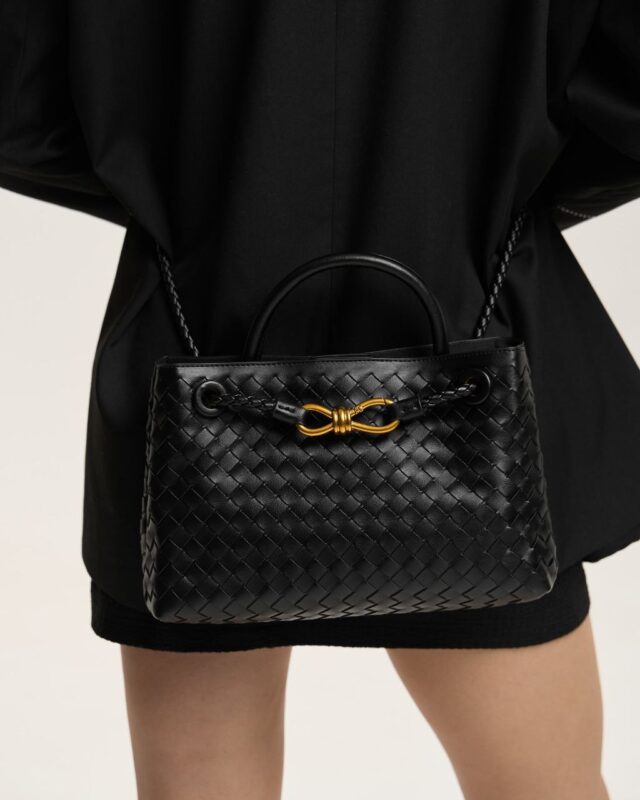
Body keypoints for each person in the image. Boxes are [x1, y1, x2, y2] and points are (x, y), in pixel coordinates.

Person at [2, 2, 639, 798]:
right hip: (482, 353)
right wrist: (494, 193)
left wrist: (178, 195)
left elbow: (19, 100)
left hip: (193, 352)